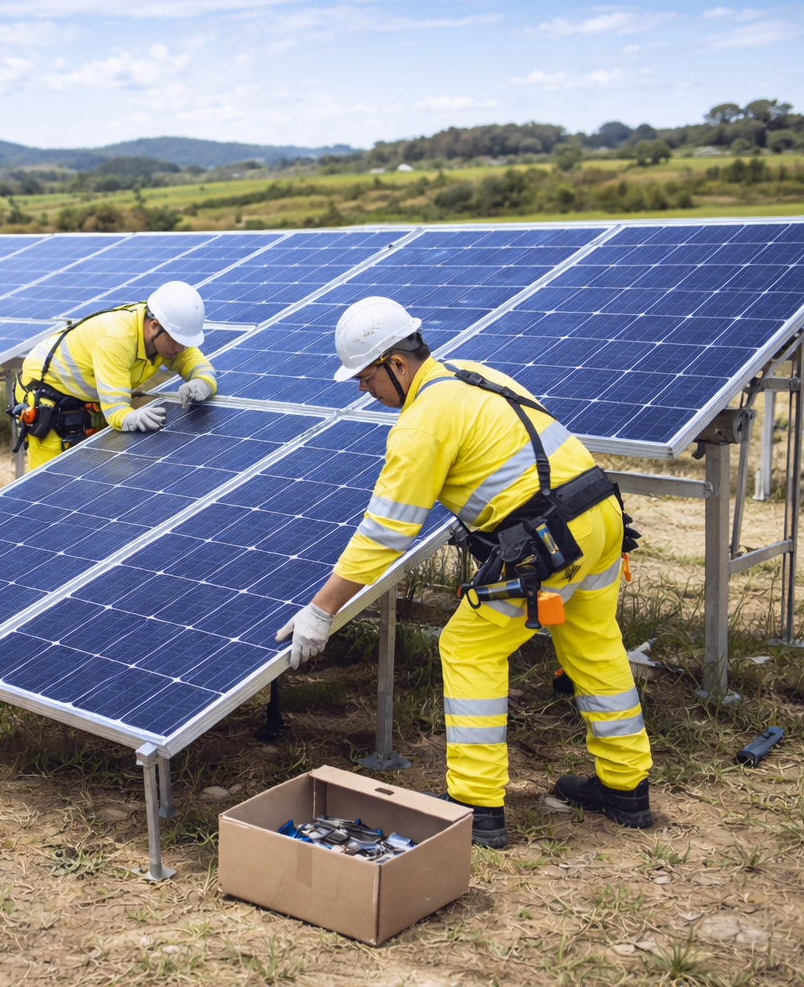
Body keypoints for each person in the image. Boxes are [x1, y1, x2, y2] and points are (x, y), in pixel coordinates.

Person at [276, 296, 652, 848]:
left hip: (548, 541)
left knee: (468, 647)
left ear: (396, 365)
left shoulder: (422, 422)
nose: (363, 390)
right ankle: (627, 789)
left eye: (365, 378)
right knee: (594, 644)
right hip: (600, 517)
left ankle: (477, 807)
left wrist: (321, 610)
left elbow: (386, 533)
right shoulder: (473, 374)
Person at [12, 281, 217, 469]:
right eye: (175, 340)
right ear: (153, 325)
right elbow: (116, 412)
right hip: (47, 393)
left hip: (87, 396)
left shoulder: (167, 334)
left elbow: (200, 367)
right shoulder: (116, 338)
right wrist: (130, 417)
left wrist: (202, 383)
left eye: (184, 341)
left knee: (105, 471)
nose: (180, 348)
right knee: (55, 479)